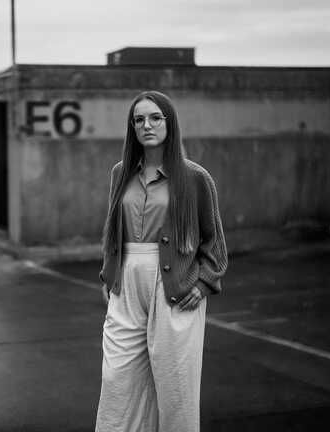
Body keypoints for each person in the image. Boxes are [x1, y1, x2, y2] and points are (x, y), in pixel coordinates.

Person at [95, 90, 228, 432]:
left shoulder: (195, 178)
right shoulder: (120, 173)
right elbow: (112, 230)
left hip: (174, 285)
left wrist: (203, 281)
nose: (146, 125)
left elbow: (214, 243)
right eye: (138, 119)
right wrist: (108, 276)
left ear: (170, 123)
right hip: (126, 282)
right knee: (117, 379)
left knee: (175, 387)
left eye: (155, 117)